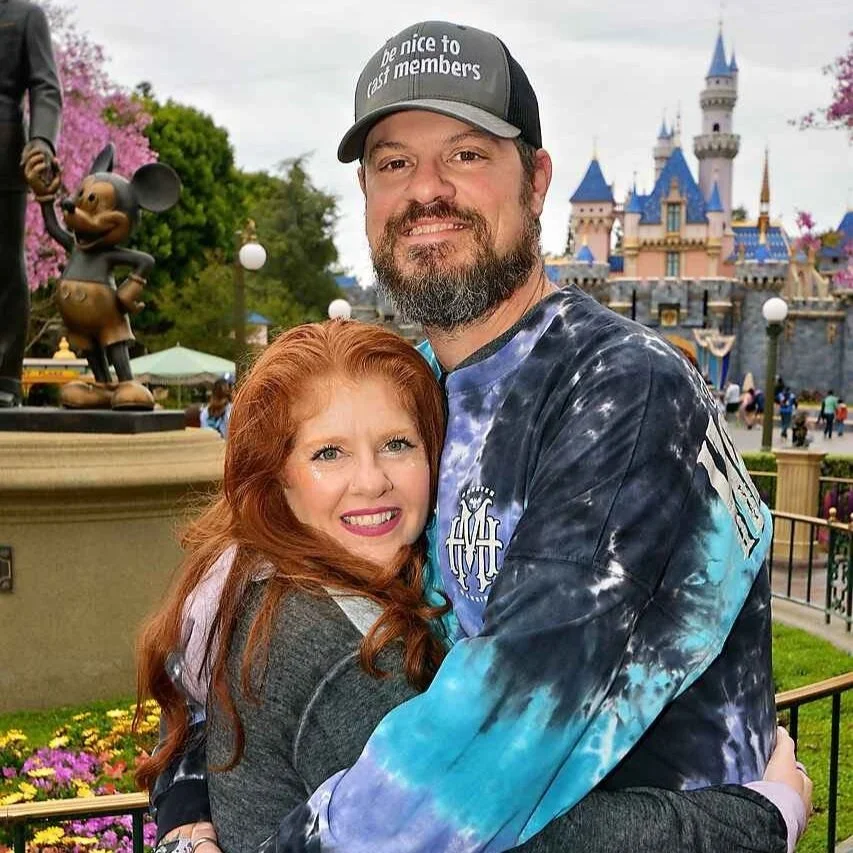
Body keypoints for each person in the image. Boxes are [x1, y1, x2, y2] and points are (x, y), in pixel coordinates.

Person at [147, 20, 809, 853]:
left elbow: (496, 742)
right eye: (393, 163)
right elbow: (218, 616)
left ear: (535, 180)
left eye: (465, 155)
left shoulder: (619, 389)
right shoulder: (403, 390)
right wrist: (187, 810)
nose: (427, 190)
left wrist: (752, 824)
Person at [138, 321, 807, 853]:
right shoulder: (328, 641)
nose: (370, 480)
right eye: (328, 452)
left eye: (397, 443)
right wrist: (755, 816)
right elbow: (500, 833)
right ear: (278, 478)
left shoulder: (289, 578)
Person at [0, 0, 62, 408]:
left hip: (4, 150)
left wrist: (41, 140)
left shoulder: (25, 16)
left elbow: (45, 86)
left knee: (3, 263)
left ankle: (4, 375)